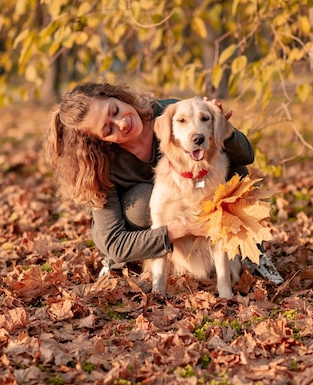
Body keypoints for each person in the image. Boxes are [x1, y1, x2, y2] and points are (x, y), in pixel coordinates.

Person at [43, 82, 283, 285]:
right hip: (153, 224)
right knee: (142, 202)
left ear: (117, 97)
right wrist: (186, 228)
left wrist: (219, 127)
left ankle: (252, 253)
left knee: (232, 169)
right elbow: (114, 243)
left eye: (114, 110)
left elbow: (246, 157)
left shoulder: (173, 112)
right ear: (99, 141)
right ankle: (130, 267)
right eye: (108, 129)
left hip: (198, 197)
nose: (121, 123)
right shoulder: (100, 166)